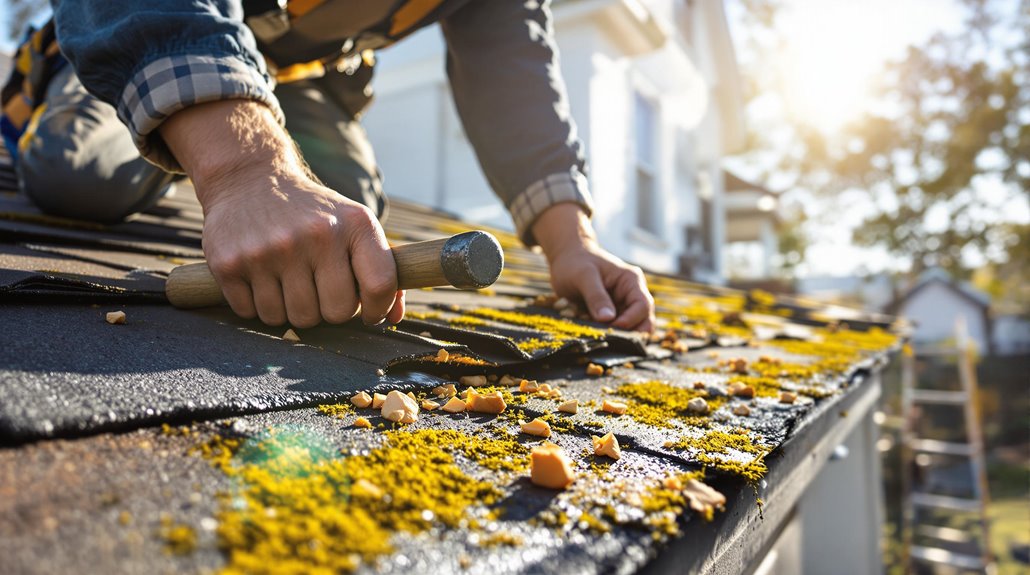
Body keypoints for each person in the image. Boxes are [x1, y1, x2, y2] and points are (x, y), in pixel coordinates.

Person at [5, 0, 655, 332]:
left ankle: (214, 114)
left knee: (346, 221)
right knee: (77, 171)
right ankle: (121, 84)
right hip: (159, 19)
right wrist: (243, 168)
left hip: (294, 74)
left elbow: (514, 67)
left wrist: (571, 241)